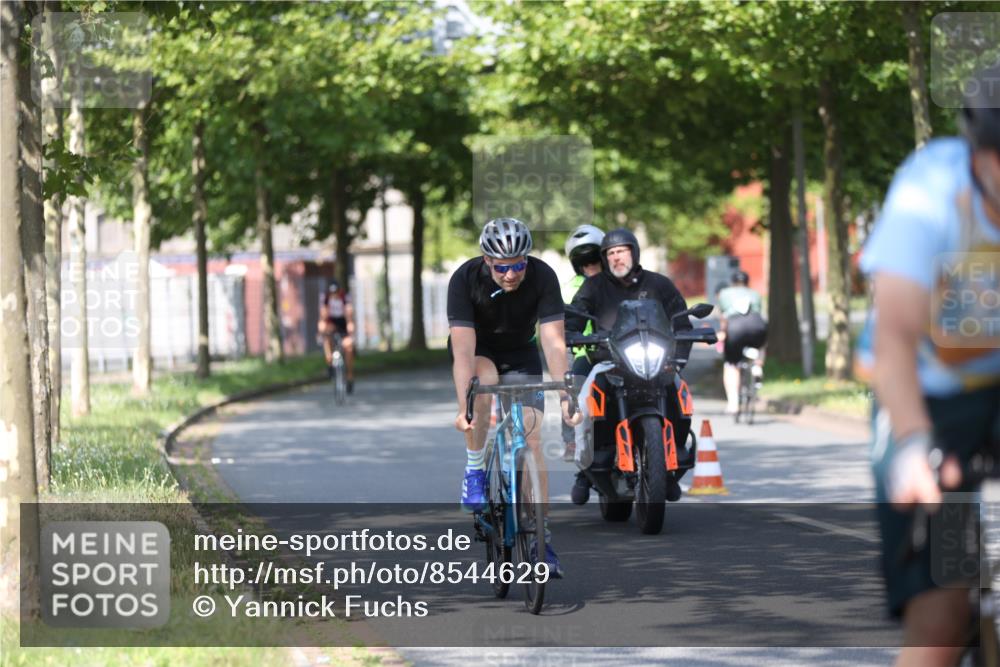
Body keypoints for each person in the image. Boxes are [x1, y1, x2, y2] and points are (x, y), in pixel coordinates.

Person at [861, 63, 1000, 667]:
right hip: (926, 396)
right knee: (943, 605)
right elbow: (892, 339)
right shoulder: (931, 190)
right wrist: (916, 446)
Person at [448, 217, 580, 578]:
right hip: (480, 351)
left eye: (518, 265)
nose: (511, 274)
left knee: (532, 440)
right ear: (487, 261)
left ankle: (541, 540)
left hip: (521, 354)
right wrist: (464, 407)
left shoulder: (542, 276)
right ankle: (475, 468)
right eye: (502, 267)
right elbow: (462, 351)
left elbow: (554, 342)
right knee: (485, 381)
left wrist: (567, 393)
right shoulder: (464, 279)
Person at [565, 227, 693, 504]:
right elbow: (575, 313)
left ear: (633, 252)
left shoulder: (659, 284)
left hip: (655, 362)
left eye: (621, 251)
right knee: (583, 402)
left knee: (680, 394)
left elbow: (681, 320)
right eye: (610, 253)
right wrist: (569, 330)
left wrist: (679, 358)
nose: (617, 257)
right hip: (607, 361)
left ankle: (670, 465)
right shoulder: (594, 285)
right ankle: (584, 465)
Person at [560, 224, 605, 465]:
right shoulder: (569, 289)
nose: (591, 269)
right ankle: (571, 439)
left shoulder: (618, 284)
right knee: (571, 382)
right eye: (585, 265)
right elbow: (561, 322)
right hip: (583, 349)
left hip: (617, 350)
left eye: (594, 262)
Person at [716, 270, 767, 415]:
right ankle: (757, 365)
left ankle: (733, 403)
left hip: (735, 328)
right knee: (761, 344)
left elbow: (723, 318)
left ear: (732, 283)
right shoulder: (755, 294)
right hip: (756, 324)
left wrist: (723, 333)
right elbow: (758, 313)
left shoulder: (725, 293)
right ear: (747, 282)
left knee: (731, 365)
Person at [318, 278, 355, 393]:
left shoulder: (345, 297)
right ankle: (330, 363)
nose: (334, 295)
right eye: (332, 292)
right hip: (331, 322)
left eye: (336, 292)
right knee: (326, 337)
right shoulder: (325, 298)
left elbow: (349, 315)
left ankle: (349, 377)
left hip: (343, 322)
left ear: (339, 291)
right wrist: (321, 329)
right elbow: (323, 316)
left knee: (348, 348)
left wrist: (350, 327)